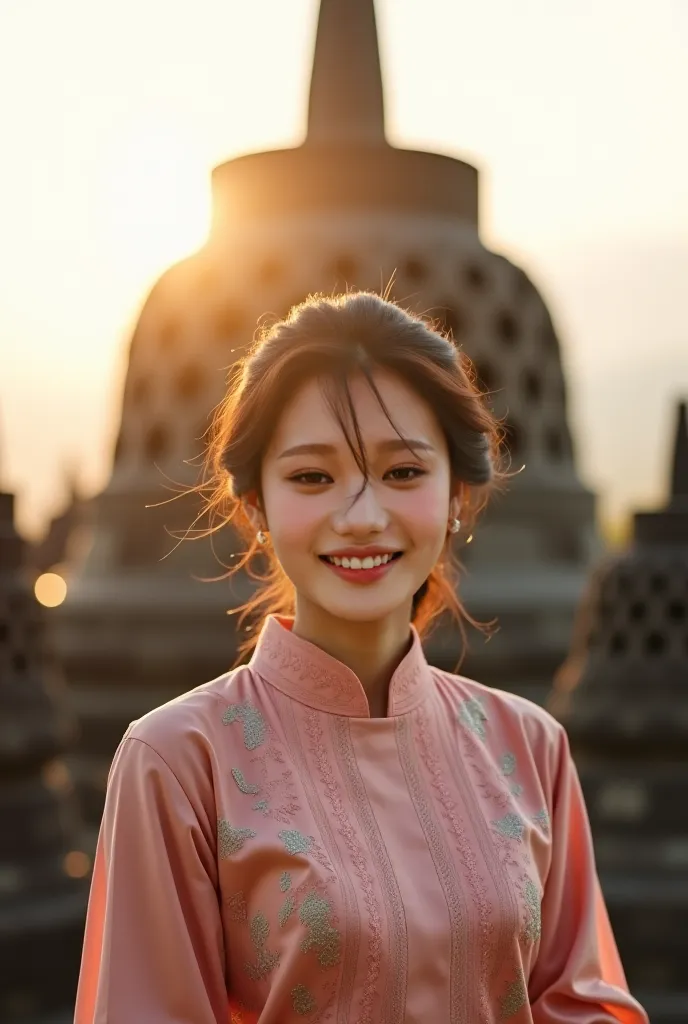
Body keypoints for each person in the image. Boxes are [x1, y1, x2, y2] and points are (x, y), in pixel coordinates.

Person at [75, 292, 647, 1023]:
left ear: (457, 497)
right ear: (254, 504)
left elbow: (583, 1003)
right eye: (312, 477)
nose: (362, 517)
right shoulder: (179, 761)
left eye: (403, 473)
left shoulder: (530, 748)